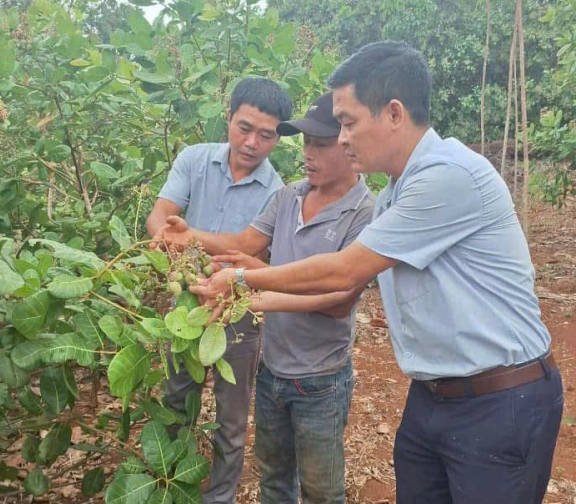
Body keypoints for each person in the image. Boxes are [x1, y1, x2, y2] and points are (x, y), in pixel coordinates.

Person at [191, 42, 564, 504]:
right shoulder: (394, 194)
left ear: (393, 113)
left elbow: (345, 272)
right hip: (433, 396)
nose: (342, 139)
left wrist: (245, 281)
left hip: (499, 401)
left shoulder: (447, 175)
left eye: (347, 123)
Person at [155, 92, 375, 503]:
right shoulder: (289, 195)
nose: (309, 154)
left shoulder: (364, 213)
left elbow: (340, 299)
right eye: (306, 143)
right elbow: (244, 242)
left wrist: (258, 290)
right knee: (274, 478)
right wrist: (192, 237)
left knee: (321, 490)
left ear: (349, 145)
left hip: (321, 378)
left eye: (321, 145)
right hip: (273, 371)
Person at [145, 77, 293, 504]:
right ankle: (167, 483)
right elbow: (159, 216)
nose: (252, 142)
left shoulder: (277, 192)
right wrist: (169, 238)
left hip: (238, 316)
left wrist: (186, 237)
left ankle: (219, 498)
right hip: (186, 306)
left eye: (266, 135)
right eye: (244, 128)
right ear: (227, 117)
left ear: (278, 137)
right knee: (175, 401)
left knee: (231, 419)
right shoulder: (194, 160)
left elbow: (247, 247)